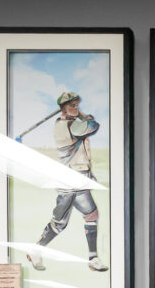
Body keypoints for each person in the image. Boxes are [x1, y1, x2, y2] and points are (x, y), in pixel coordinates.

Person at [27, 91, 108, 272]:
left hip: (79, 179)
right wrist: (82, 115)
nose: (76, 107)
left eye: (77, 104)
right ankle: (35, 250)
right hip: (69, 182)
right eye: (72, 105)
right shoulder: (70, 126)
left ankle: (93, 258)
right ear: (63, 108)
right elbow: (94, 125)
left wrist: (75, 114)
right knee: (59, 224)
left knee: (92, 215)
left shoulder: (69, 123)